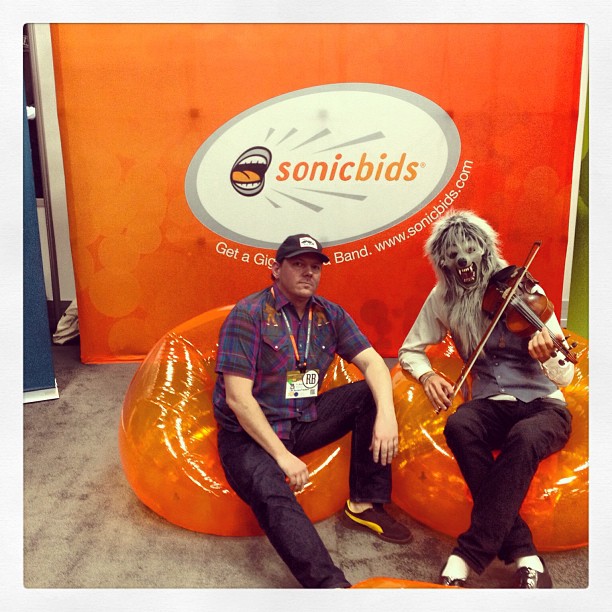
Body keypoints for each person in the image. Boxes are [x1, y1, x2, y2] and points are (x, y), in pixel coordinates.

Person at [213, 233, 412, 588]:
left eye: (315, 267)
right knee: (273, 493)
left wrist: (387, 415)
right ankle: (331, 588)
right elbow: (238, 399)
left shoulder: (329, 315)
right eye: (298, 264)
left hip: (302, 418)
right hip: (249, 434)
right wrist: (282, 456)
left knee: (371, 394)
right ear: (276, 269)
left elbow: (373, 363)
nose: (309, 273)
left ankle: (365, 504)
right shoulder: (249, 315)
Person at [398, 210, 574, 588]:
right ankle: (524, 553)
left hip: (543, 404)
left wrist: (549, 356)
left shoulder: (525, 289)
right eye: (453, 254)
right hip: (490, 401)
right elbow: (410, 350)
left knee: (525, 435)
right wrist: (427, 375)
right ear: (444, 262)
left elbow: (566, 375)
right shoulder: (442, 298)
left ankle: (468, 554)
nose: (463, 259)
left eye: (470, 249)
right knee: (459, 424)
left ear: (484, 250)